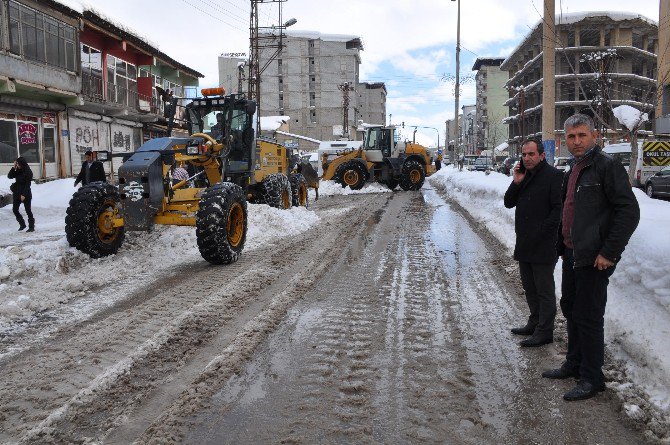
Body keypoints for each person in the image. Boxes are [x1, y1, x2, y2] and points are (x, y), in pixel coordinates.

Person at [542, 113, 639, 401]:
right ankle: (574, 363)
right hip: (573, 253)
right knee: (571, 308)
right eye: (571, 136)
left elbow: (628, 212)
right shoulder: (573, 168)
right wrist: (563, 246)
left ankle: (592, 377)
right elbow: (570, 209)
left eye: (582, 135)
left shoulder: (606, 167)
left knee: (589, 316)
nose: (576, 141)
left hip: (595, 257)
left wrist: (609, 252)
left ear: (594, 136)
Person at [504, 137, 563, 347]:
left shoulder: (555, 176)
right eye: (524, 154)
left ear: (542, 155)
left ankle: (545, 331)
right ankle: (534, 322)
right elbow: (508, 203)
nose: (527, 158)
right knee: (529, 287)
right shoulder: (524, 175)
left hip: (545, 244)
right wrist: (516, 182)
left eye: (531, 154)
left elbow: (558, 210)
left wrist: (542, 233)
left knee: (544, 290)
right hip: (525, 242)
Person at [8, 157, 35, 232]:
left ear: (22, 164)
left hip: (25, 193)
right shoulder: (18, 170)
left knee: (28, 210)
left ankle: (31, 227)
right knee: (15, 210)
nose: (18, 165)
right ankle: (22, 224)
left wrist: (23, 195)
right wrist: (14, 167)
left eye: (18, 164)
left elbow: (27, 184)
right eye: (17, 164)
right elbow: (9, 176)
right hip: (17, 193)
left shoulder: (28, 172)